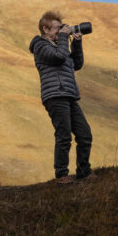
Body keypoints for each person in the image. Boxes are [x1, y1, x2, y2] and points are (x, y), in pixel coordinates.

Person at [29, 10, 94, 184]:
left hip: (69, 94)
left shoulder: (60, 45)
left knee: (85, 134)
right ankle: (62, 174)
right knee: (64, 135)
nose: (61, 32)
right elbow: (58, 58)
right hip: (55, 95)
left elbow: (76, 64)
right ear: (45, 29)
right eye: (57, 29)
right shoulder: (40, 46)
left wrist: (77, 44)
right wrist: (65, 38)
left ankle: (83, 171)